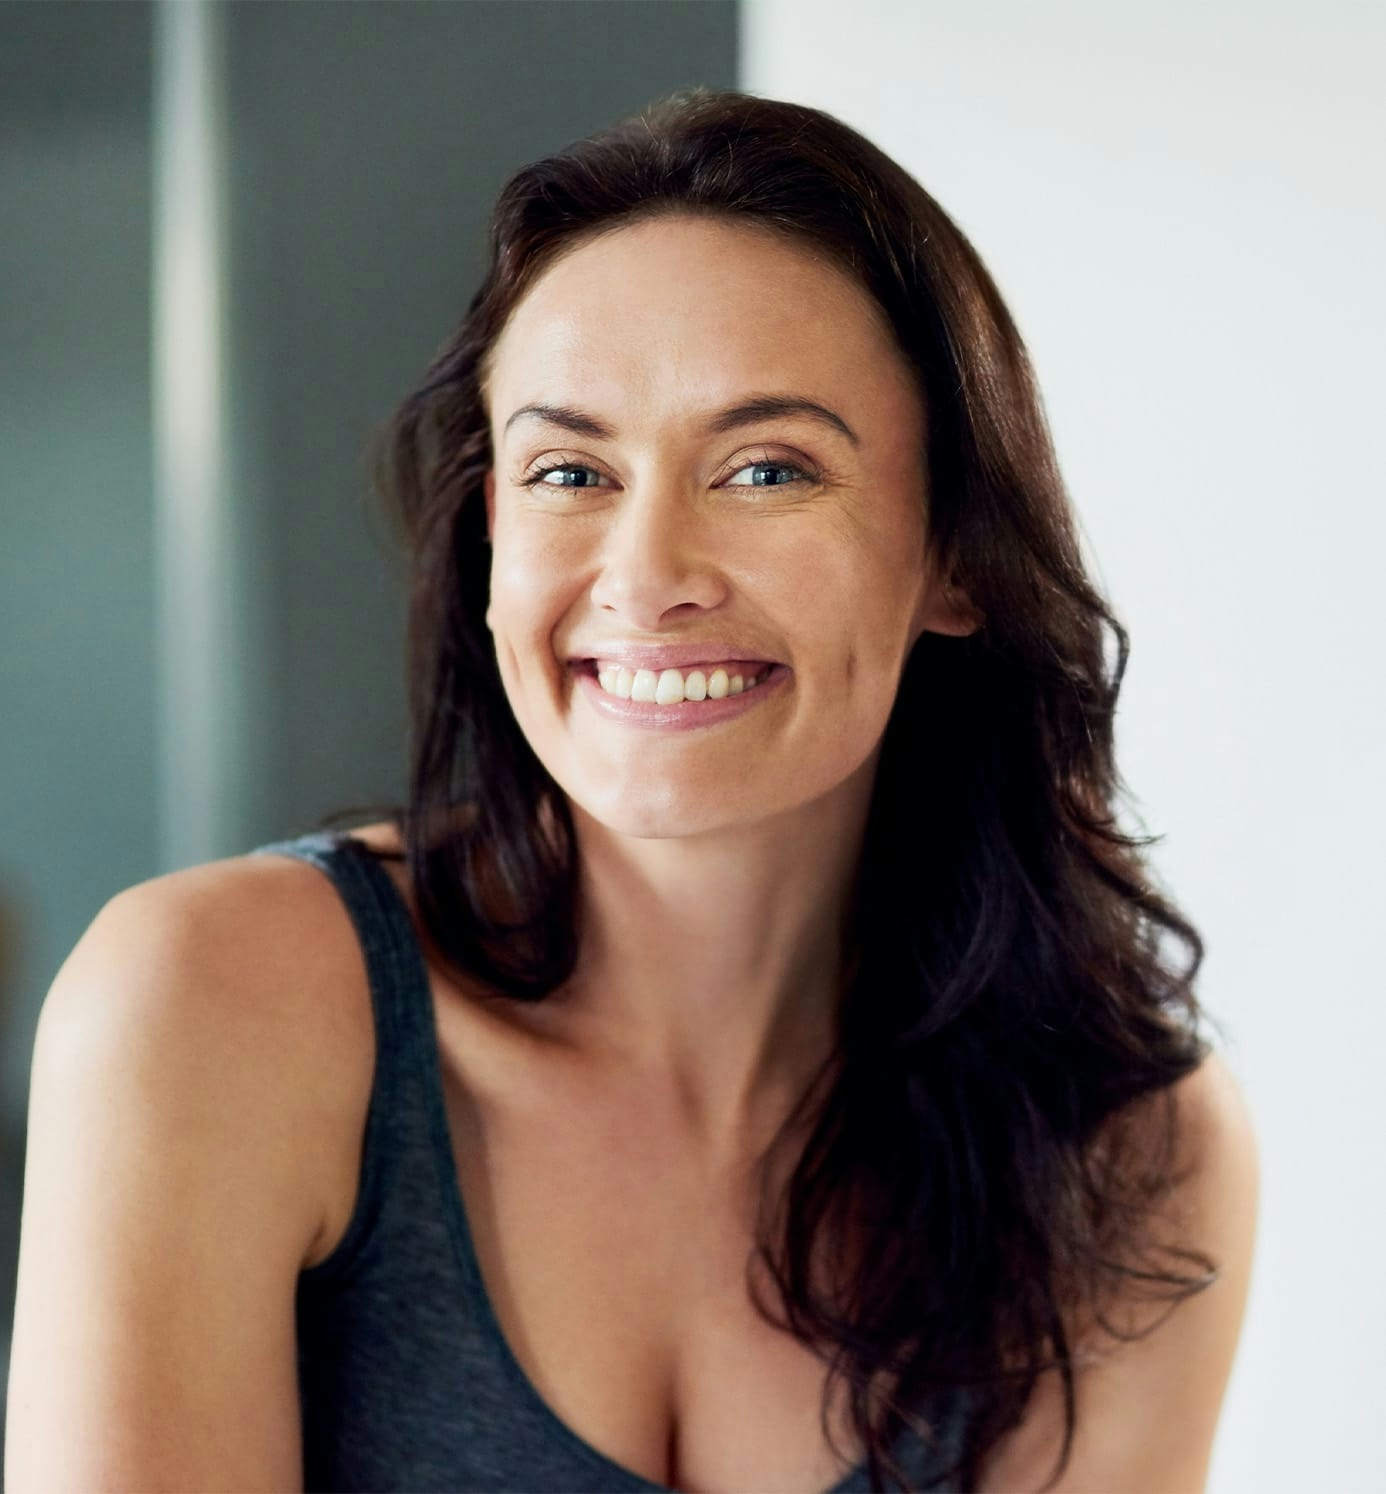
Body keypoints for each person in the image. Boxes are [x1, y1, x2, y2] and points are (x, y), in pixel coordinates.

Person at [6, 88, 1258, 1493]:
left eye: (767, 466)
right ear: (492, 538)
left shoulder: (1125, 1149)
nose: (646, 571)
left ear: (956, 557)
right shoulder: (207, 1006)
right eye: (568, 470)